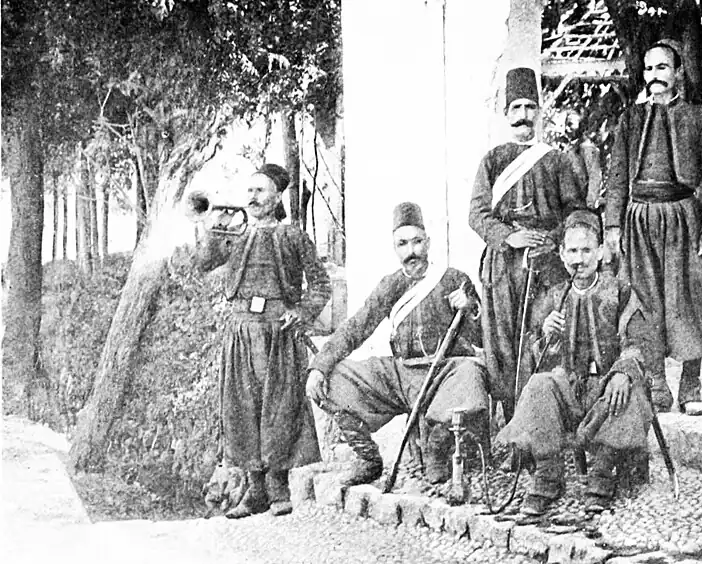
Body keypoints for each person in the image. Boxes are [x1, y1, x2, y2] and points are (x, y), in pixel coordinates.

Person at [306, 202, 489, 486]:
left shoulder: (453, 278)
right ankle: (368, 458)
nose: (411, 251)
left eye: (417, 242)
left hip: (443, 373)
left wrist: (471, 308)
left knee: (471, 370)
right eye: (402, 244)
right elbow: (356, 327)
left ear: (427, 243)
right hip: (401, 375)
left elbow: (482, 338)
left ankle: (436, 445)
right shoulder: (390, 285)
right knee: (336, 377)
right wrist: (319, 367)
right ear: (395, 248)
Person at [194, 163, 332, 519]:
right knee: (243, 407)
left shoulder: (294, 237)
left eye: (260, 190)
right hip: (241, 332)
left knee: (280, 406)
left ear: (276, 196)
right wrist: (210, 227)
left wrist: (300, 313)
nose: (253, 197)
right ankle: (254, 492)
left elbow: (320, 286)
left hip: (278, 333)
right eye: (249, 191)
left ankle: (277, 487)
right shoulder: (235, 236)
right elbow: (202, 263)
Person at [605, 38, 702, 416]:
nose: (654, 76)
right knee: (645, 302)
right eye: (649, 69)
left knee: (688, 300)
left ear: (678, 73)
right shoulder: (630, 119)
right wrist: (613, 225)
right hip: (639, 219)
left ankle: (690, 385)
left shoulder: (699, 118)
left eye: (662, 68)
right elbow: (616, 177)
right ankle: (656, 382)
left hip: (682, 219)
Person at [497, 210, 653, 516]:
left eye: (585, 250)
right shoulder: (555, 295)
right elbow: (538, 356)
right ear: (561, 254)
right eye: (571, 251)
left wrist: (623, 372)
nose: (578, 259)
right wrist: (546, 337)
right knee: (539, 385)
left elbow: (638, 342)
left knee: (627, 392)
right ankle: (548, 473)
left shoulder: (619, 290)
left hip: (606, 388)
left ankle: (603, 471)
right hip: (571, 390)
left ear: (600, 252)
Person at [469, 67, 585, 421]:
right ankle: (512, 424)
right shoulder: (492, 160)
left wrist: (551, 240)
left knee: (541, 339)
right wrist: (508, 237)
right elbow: (476, 213)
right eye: (516, 108)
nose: (523, 116)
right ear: (506, 115)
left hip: (545, 265)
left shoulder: (556, 160)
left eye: (530, 107)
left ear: (539, 111)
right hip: (503, 267)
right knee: (503, 346)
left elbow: (574, 212)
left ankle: (540, 419)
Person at [561, 110, 604, 210]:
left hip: (584, 206)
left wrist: (591, 202)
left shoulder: (587, 148)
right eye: (566, 125)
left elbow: (595, 176)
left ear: (580, 126)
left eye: (571, 124)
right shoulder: (569, 149)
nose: (567, 129)